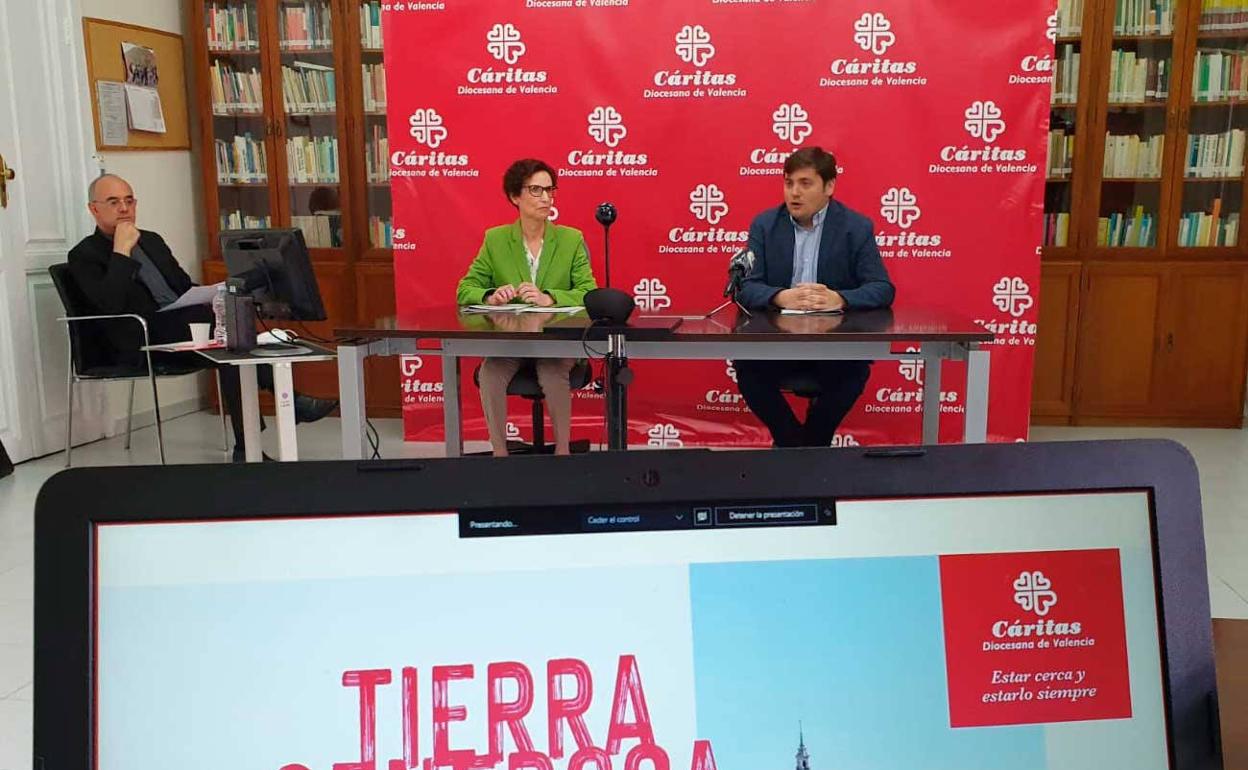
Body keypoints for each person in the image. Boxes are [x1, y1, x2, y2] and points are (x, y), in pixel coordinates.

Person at [67, 174, 337, 461]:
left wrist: (214, 294)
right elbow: (110, 305)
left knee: (229, 328)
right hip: (136, 338)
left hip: (182, 329)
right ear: (94, 209)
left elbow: (182, 288)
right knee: (225, 331)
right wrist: (121, 251)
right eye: (113, 202)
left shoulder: (152, 241)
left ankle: (248, 448)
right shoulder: (83, 255)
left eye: (129, 200)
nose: (124, 208)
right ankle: (287, 408)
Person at [735, 146, 895, 447]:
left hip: (832, 345)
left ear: (829, 186)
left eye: (805, 183)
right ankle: (796, 443)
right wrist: (781, 297)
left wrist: (841, 299)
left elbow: (882, 287)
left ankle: (810, 443)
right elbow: (745, 286)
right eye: (788, 183)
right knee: (748, 370)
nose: (794, 192)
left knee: (853, 372)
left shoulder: (855, 227)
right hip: (777, 344)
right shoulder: (765, 225)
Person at [456, 158, 598, 456]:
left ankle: (562, 454)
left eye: (550, 190)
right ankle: (500, 455)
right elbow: (465, 289)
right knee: (490, 372)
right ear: (515, 196)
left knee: (550, 371)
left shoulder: (571, 239)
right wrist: (491, 295)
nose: (546, 197)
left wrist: (551, 297)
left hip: (557, 344)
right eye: (536, 190)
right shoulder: (495, 240)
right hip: (513, 342)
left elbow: (589, 292)